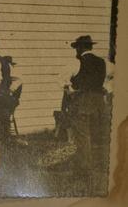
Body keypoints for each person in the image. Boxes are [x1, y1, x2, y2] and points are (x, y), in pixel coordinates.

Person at [53, 35, 107, 177]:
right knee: (96, 136)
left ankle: (84, 170)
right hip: (99, 103)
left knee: (82, 136)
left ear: (81, 47)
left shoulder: (76, 62)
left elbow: (61, 81)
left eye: (77, 48)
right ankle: (97, 167)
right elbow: (106, 82)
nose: (76, 51)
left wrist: (69, 89)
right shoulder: (102, 62)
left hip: (83, 102)